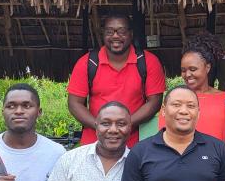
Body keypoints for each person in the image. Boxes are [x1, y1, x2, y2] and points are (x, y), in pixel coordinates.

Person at [67, 14, 165, 147]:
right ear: (103, 34)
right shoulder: (87, 62)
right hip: (94, 142)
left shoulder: (148, 62)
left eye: (121, 31)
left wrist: (126, 124)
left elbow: (155, 102)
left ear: (130, 34)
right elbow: (74, 103)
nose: (115, 36)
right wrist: (100, 126)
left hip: (136, 143)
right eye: (109, 31)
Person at [161, 32, 225, 149]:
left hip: (216, 162)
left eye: (193, 69)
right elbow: (164, 133)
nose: (187, 74)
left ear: (207, 67)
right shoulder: (174, 98)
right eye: (183, 70)